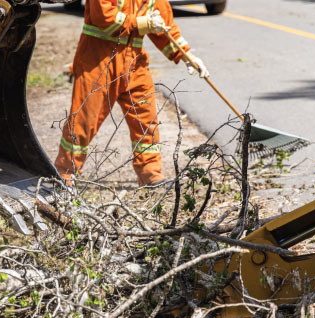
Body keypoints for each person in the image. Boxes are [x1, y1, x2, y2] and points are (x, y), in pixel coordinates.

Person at [54, 0, 209, 186]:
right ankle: (64, 174)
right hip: (97, 61)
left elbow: (165, 27)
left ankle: (150, 173)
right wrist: (141, 23)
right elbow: (104, 17)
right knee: (84, 121)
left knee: (146, 118)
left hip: (133, 62)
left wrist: (187, 55)